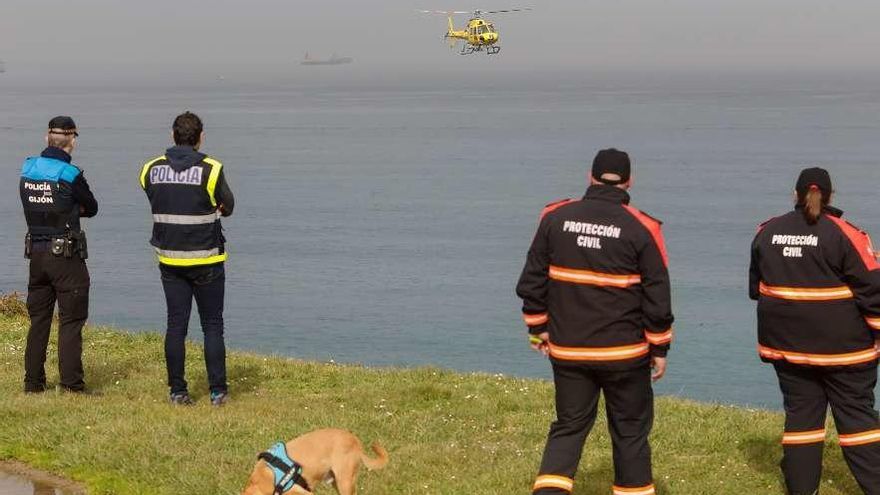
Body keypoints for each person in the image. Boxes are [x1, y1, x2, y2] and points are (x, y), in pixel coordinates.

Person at [517, 149, 673, 495]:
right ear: (629, 181)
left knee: (569, 427)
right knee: (630, 432)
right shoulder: (643, 227)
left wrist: (537, 328)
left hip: (569, 349)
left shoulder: (554, 217)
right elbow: (657, 297)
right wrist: (660, 346)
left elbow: (532, 281)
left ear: (590, 176)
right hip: (625, 354)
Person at [749, 167, 880, 494]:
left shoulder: (767, 231)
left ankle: (801, 488)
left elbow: (756, 288)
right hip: (845, 351)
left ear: (795, 195)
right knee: (857, 421)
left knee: (802, 421)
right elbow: (873, 293)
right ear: (831, 195)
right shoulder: (846, 234)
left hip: (788, 349)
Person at [139, 111, 235, 406]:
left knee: (176, 325)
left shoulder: (150, 169)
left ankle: (178, 390)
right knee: (212, 325)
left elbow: (154, 195)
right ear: (200, 137)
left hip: (170, 260)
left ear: (173, 135)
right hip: (206, 259)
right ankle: (217, 391)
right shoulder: (212, 169)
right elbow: (228, 206)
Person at [20, 116, 98, 393]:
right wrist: (74, 210)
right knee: (71, 320)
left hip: (36, 255)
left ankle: (33, 384)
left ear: (46, 138)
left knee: (39, 320)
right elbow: (92, 206)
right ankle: (71, 385)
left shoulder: (27, 168)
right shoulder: (70, 175)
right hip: (65, 256)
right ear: (72, 141)